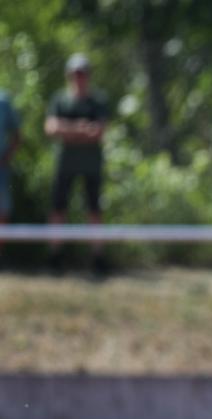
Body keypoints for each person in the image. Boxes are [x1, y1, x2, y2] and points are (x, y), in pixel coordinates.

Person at [44, 53, 109, 274]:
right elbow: (51, 128)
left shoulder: (97, 100)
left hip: (91, 165)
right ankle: (55, 256)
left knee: (94, 210)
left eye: (82, 74)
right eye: (75, 74)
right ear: (69, 75)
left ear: (88, 76)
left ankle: (97, 258)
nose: (79, 78)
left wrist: (67, 130)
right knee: (58, 209)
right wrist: (81, 128)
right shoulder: (60, 100)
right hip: (66, 164)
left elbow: (99, 132)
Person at [0, 89, 21, 264]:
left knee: (3, 211)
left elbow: (16, 134)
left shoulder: (3, 101)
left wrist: (6, 157)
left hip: (1, 169)